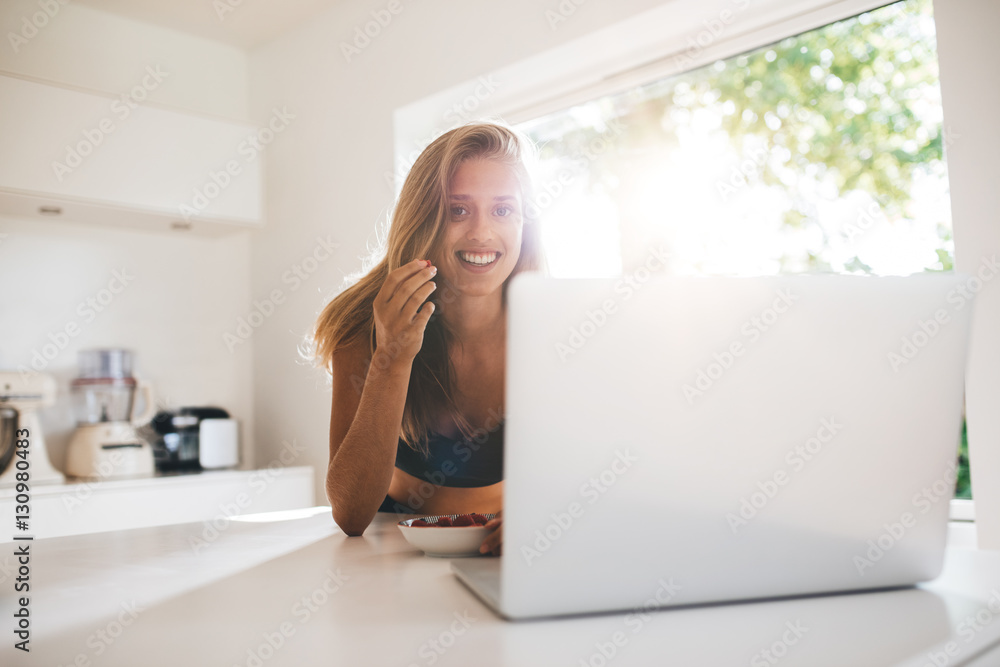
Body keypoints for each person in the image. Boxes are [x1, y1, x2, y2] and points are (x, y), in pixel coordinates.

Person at [312, 121, 545, 555]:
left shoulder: (555, 327)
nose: (481, 233)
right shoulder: (362, 323)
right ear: (424, 220)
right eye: (458, 210)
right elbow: (350, 513)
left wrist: (546, 511)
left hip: (507, 545)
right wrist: (393, 358)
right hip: (391, 546)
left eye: (502, 210)